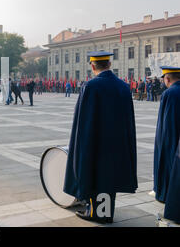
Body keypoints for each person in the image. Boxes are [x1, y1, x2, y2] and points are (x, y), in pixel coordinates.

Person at [64, 51, 138, 224]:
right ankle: (105, 212)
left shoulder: (91, 86)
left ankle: (97, 213)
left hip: (97, 142)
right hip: (117, 142)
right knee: (108, 178)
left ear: (92, 66)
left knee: (95, 176)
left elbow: (84, 120)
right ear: (109, 64)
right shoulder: (123, 85)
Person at [153, 66, 180, 224]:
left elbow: (167, 124)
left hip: (172, 141)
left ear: (167, 79)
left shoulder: (169, 93)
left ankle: (167, 197)